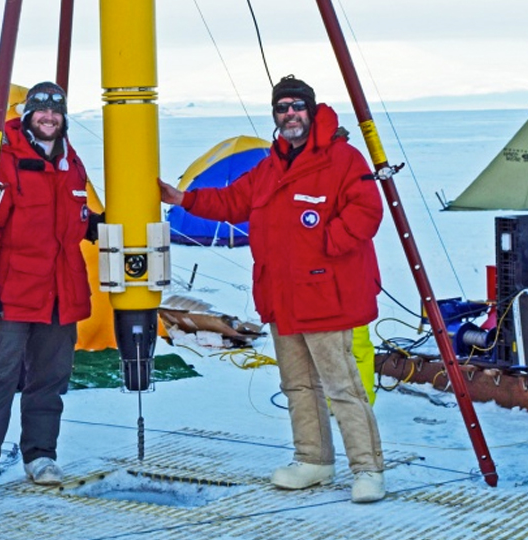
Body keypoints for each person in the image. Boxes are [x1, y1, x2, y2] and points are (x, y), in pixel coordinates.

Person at [158, 75, 386, 503]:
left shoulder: (342, 159)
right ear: (275, 116)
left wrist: (325, 246)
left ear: (312, 111)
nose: (290, 115)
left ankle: (368, 468)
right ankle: (313, 460)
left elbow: (366, 210)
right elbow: (230, 201)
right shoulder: (269, 166)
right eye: (282, 108)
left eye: (297, 106)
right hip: (282, 297)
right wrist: (182, 198)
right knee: (298, 385)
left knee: (343, 387)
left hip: (326, 297)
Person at [0, 81, 102, 496]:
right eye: (41, 111)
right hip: (13, 293)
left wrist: (95, 224)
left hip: (61, 295)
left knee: (49, 379)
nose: (49, 118)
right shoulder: (5, 159)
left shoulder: (72, 163)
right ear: (29, 114)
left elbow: (76, 216)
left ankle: (40, 454)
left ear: (63, 117)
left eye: (55, 112)